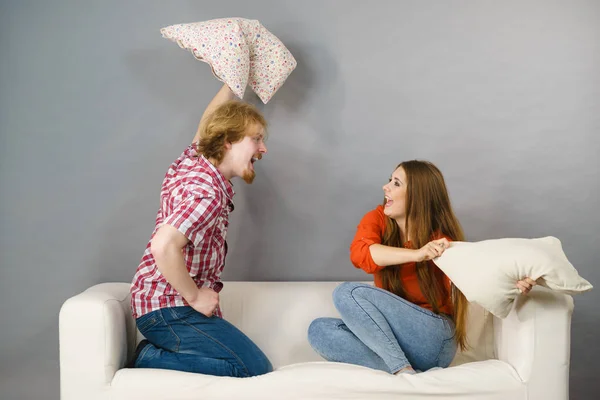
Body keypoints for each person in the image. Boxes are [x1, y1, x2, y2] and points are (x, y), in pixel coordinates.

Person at [307, 160, 536, 374]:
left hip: (435, 338)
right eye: (390, 180)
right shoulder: (377, 218)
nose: (385, 187)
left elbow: (475, 270)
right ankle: (405, 371)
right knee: (319, 330)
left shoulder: (439, 239)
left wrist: (514, 283)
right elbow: (362, 254)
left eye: (396, 184)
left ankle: (400, 371)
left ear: (417, 195)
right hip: (398, 344)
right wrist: (417, 254)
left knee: (346, 293)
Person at [127, 84, 273, 377]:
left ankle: (152, 354)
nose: (263, 148)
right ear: (228, 141)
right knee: (253, 367)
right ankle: (147, 359)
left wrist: (233, 83)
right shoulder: (207, 193)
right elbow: (163, 245)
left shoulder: (195, 162)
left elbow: (208, 123)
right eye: (256, 139)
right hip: (170, 310)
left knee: (250, 364)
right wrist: (194, 297)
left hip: (156, 307)